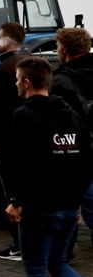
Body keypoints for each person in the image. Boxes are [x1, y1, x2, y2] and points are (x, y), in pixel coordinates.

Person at [5, 56, 93, 277]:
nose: (16, 85)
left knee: (35, 271)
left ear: (27, 83)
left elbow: (24, 165)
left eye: (17, 80)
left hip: (39, 208)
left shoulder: (24, 116)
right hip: (68, 208)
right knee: (58, 264)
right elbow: (86, 163)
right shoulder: (72, 115)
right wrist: (76, 204)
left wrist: (17, 202)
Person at [0, 22, 29, 261]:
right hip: (30, 138)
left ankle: (19, 243)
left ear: (9, 41)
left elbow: (0, 108)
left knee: (11, 190)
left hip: (11, 141)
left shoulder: (5, 67)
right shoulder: (30, 60)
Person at [51, 27, 93, 240]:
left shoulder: (60, 80)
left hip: (76, 150)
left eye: (58, 45)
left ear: (65, 49)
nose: (57, 49)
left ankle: (65, 250)